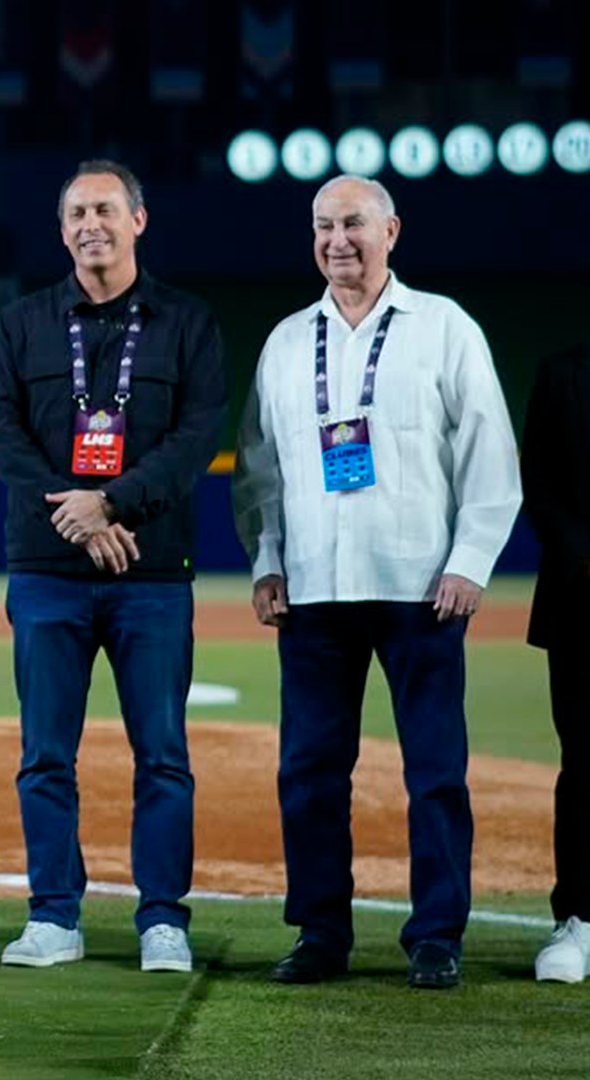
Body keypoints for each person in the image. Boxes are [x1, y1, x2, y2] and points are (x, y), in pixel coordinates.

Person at [233, 175, 521, 991]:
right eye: (322, 226)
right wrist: (266, 561)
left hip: (419, 589)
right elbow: (257, 467)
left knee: (433, 771)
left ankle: (436, 934)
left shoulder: (442, 328)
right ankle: (320, 933)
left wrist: (469, 559)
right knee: (309, 773)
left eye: (353, 224)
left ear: (390, 230)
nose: (337, 241)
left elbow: (488, 454)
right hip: (315, 593)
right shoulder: (287, 341)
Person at [0, 159, 226, 974]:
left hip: (151, 575)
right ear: (61, 230)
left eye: (106, 210)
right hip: (47, 570)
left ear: (138, 221)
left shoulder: (187, 324)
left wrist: (111, 505)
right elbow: (2, 437)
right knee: (45, 754)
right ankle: (53, 916)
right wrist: (78, 517)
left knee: (161, 753)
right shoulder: (20, 325)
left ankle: (163, 920)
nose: (92, 224)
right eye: (77, 212)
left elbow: (194, 439)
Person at [524, 341, 590, 984]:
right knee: (584, 764)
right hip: (581, 598)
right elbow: (538, 476)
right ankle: (579, 917)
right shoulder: (563, 367)